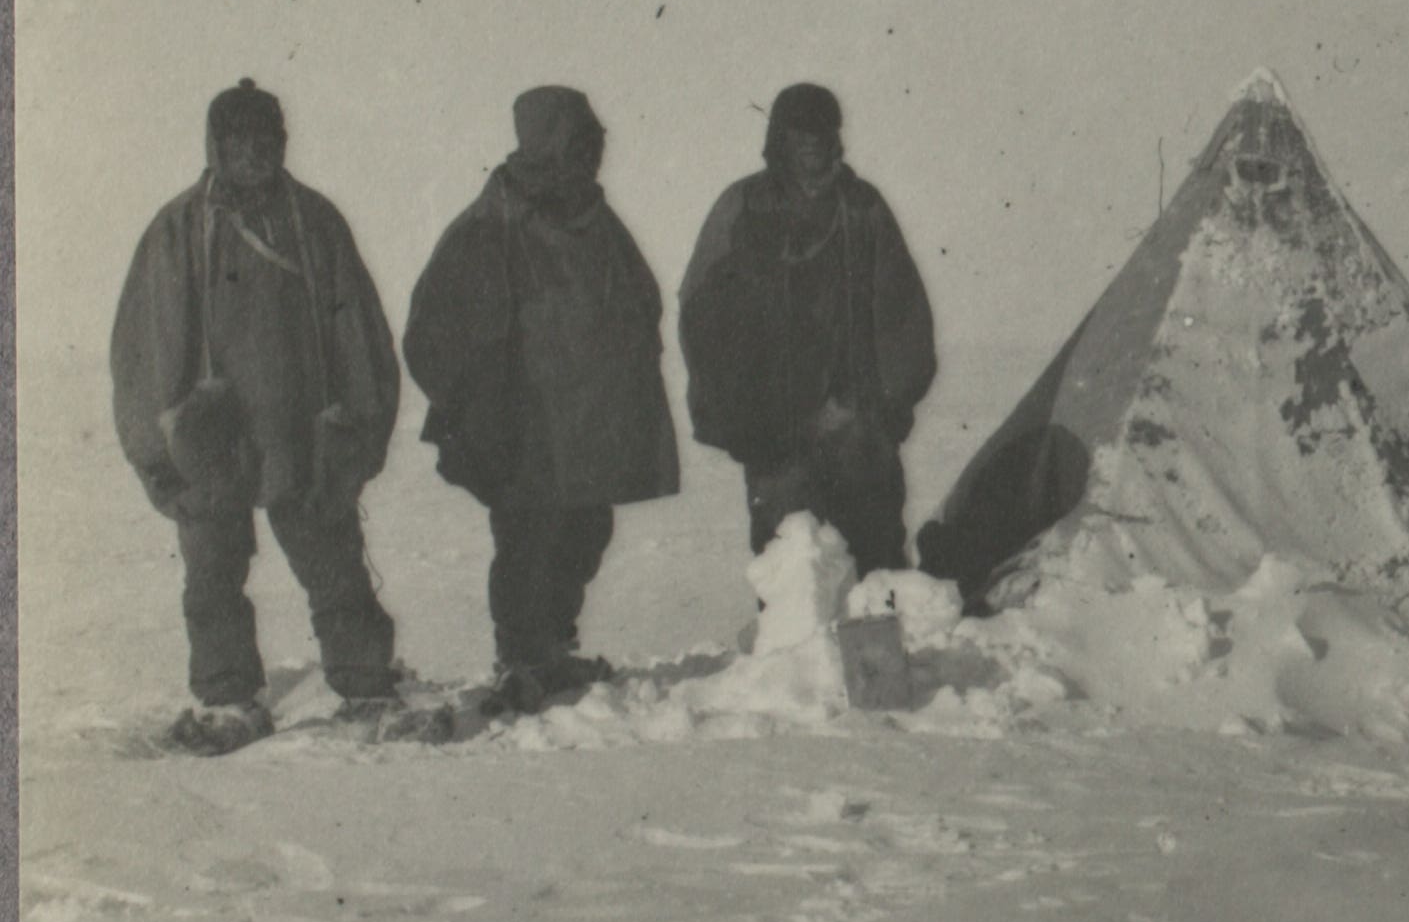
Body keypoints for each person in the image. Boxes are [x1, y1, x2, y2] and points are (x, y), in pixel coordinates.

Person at [109, 80, 406, 752]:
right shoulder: (178, 230)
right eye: (238, 140)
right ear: (216, 145)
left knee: (334, 565)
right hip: (210, 441)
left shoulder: (315, 222)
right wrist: (160, 453)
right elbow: (144, 348)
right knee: (212, 575)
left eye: (265, 138)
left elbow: (357, 330)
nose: (253, 153)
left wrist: (356, 429)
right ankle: (228, 699)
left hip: (302, 433)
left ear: (283, 141)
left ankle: (365, 686)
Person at [403, 87, 682, 712]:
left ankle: (550, 648)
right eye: (576, 147)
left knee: (585, 531)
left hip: (589, 421)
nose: (590, 159)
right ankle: (522, 657)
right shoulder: (488, 228)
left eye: (592, 146)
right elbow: (430, 336)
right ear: (544, 147)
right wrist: (478, 407)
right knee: (528, 541)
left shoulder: (597, 221)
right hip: (523, 427)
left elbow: (641, 299)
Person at [677, 83, 938, 575]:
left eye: (822, 129)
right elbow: (702, 317)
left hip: (855, 422)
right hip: (774, 429)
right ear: (780, 137)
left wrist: (886, 405)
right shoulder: (742, 207)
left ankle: (874, 627)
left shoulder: (862, 208)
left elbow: (902, 311)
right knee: (791, 568)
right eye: (800, 132)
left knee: (877, 560)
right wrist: (738, 416)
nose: (812, 142)